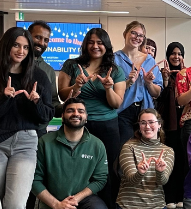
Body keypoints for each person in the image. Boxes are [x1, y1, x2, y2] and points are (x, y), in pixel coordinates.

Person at [0, 27, 55, 209]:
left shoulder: (38, 76)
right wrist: (3, 98)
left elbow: (46, 116)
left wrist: (36, 102)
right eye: (16, 45)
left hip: (26, 143)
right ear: (6, 46)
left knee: (16, 204)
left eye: (25, 47)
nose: (21, 51)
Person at [57, 28, 127, 208]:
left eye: (100, 43)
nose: (95, 46)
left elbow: (116, 103)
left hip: (107, 126)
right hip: (77, 124)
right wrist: (76, 86)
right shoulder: (71, 65)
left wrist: (108, 88)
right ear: (85, 44)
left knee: (107, 170)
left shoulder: (115, 70)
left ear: (107, 46)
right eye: (91, 42)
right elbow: (63, 95)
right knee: (75, 166)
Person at [33, 98, 108, 209]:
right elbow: (34, 179)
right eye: (70, 110)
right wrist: (56, 204)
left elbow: (100, 179)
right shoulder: (44, 142)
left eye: (81, 111)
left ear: (86, 117)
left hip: (84, 200)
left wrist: (76, 198)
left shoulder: (97, 145)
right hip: (51, 200)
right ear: (62, 116)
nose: (76, 114)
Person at [27, 20, 59, 209]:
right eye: (37, 37)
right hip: (7, 134)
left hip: (36, 133)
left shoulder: (47, 70)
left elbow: (52, 103)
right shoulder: (9, 63)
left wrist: (70, 102)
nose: (41, 42)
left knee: (31, 181)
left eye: (46, 40)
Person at [115, 21, 162, 145]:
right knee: (125, 147)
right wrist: (128, 82)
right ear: (125, 34)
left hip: (145, 110)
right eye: (133, 33)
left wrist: (149, 83)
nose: (137, 37)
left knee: (146, 147)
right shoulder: (115, 59)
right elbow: (110, 91)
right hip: (123, 111)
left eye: (141, 35)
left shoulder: (149, 60)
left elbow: (157, 93)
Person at [117, 108, 175, 209]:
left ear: (159, 124)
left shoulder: (168, 151)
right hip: (129, 205)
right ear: (139, 127)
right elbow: (132, 181)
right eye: (143, 123)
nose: (147, 126)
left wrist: (160, 172)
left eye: (151, 122)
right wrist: (140, 172)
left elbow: (162, 182)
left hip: (157, 205)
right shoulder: (129, 147)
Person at [158, 42, 187, 205]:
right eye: (173, 53)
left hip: (184, 121)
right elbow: (159, 96)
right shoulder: (162, 72)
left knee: (183, 159)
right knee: (169, 158)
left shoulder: (187, 73)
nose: (176, 57)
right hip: (169, 122)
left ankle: (181, 197)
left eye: (179, 54)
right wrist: (165, 79)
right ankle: (169, 197)